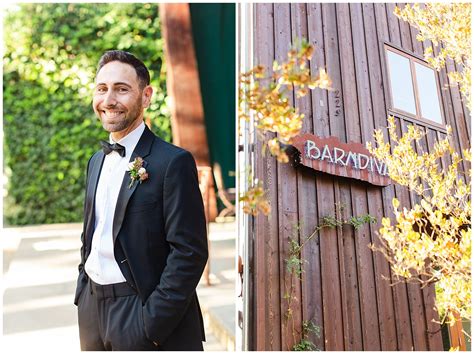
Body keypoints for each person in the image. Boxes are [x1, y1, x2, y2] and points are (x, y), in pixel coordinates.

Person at [74, 50, 208, 351]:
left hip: (141, 313)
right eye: (102, 89)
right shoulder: (96, 161)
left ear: (145, 96)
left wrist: (152, 324)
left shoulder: (173, 162)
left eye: (122, 89)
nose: (109, 100)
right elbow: (91, 235)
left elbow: (189, 252)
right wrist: (83, 292)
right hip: (92, 310)